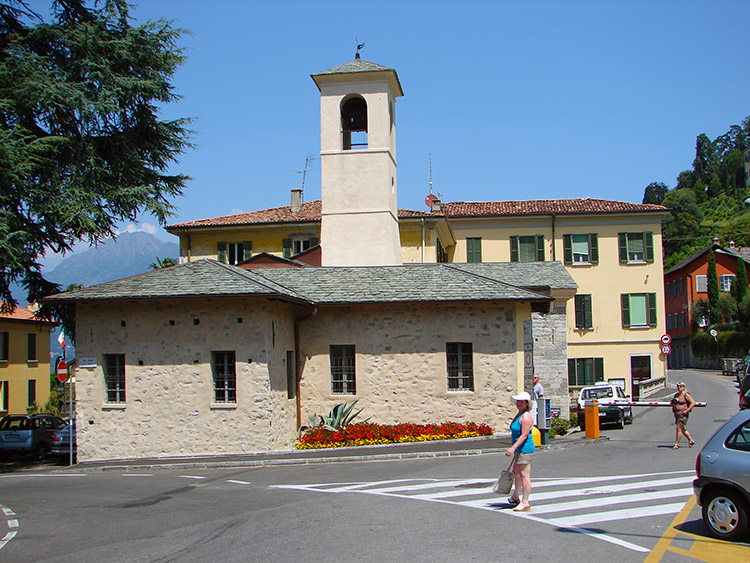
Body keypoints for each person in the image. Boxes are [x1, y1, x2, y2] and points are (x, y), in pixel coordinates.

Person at [506, 390, 535, 511]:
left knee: (524, 475)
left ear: (527, 403)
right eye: (518, 401)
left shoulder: (526, 416)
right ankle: (515, 496)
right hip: (519, 449)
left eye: (521, 402)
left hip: (525, 449)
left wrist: (512, 448)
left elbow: (524, 435)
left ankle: (525, 501)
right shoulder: (519, 415)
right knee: (517, 474)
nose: (519, 404)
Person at [671, 382, 696, 449]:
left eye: (680, 386)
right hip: (677, 414)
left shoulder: (686, 395)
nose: (679, 387)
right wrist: (673, 403)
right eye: (678, 386)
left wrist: (687, 410)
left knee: (678, 428)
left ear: (684, 387)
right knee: (682, 429)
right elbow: (672, 404)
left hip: (683, 414)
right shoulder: (676, 395)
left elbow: (693, 403)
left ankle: (676, 444)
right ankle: (691, 440)